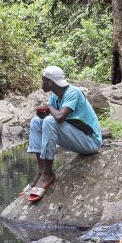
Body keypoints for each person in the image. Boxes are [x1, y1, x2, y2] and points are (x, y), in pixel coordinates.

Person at [24, 66, 102, 203]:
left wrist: (49, 107)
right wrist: (44, 112)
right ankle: (41, 172)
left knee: (49, 121)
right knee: (36, 121)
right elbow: (52, 117)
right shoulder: (55, 96)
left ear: (50, 82)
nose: (41, 84)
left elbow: (59, 117)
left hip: (90, 142)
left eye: (43, 80)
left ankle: (48, 174)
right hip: (76, 138)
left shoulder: (73, 92)